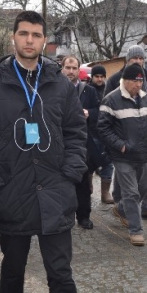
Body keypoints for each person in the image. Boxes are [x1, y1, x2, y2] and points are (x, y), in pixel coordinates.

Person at [0, 11, 87, 293]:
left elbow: (76, 133)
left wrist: (70, 174)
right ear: (13, 37)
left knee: (60, 273)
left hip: (55, 191)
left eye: (36, 35)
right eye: (23, 34)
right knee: (12, 273)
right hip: (12, 193)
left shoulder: (61, 85)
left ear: (44, 40)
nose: (29, 40)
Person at [97, 63, 147, 246]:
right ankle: (136, 230)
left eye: (140, 81)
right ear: (124, 80)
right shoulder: (111, 100)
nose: (138, 85)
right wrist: (120, 146)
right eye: (134, 81)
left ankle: (121, 208)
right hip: (123, 156)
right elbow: (103, 128)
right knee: (131, 192)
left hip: (145, 154)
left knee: (144, 188)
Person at [60, 55, 100, 229]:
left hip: (82, 143)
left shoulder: (88, 90)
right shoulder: (54, 89)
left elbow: (99, 111)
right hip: (60, 143)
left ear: (78, 70)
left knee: (83, 182)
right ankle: (63, 215)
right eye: (67, 67)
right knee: (62, 182)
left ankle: (84, 216)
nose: (70, 71)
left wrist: (89, 113)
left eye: (74, 68)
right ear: (62, 69)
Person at [89, 65, 115, 203]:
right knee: (90, 163)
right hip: (92, 132)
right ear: (92, 77)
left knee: (108, 163)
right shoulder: (87, 90)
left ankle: (105, 193)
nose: (99, 79)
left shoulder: (109, 91)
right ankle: (89, 187)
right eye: (97, 76)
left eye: (102, 76)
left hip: (107, 133)